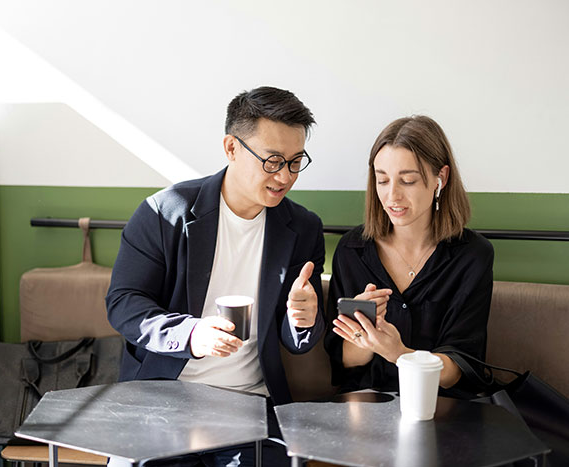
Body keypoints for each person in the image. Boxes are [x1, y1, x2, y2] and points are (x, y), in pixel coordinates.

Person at [106, 86, 325, 466]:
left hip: (252, 404)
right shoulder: (165, 213)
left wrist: (302, 319)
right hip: (162, 400)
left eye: (295, 162)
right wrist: (191, 333)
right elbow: (124, 305)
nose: (285, 176)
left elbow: (298, 341)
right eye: (272, 161)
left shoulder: (302, 228)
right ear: (231, 148)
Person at [324, 115, 494, 396]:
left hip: (442, 408)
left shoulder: (473, 256)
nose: (392, 196)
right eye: (382, 181)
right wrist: (363, 336)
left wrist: (400, 354)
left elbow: (458, 370)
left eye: (408, 181)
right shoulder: (351, 250)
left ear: (441, 178)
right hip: (365, 408)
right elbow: (344, 363)